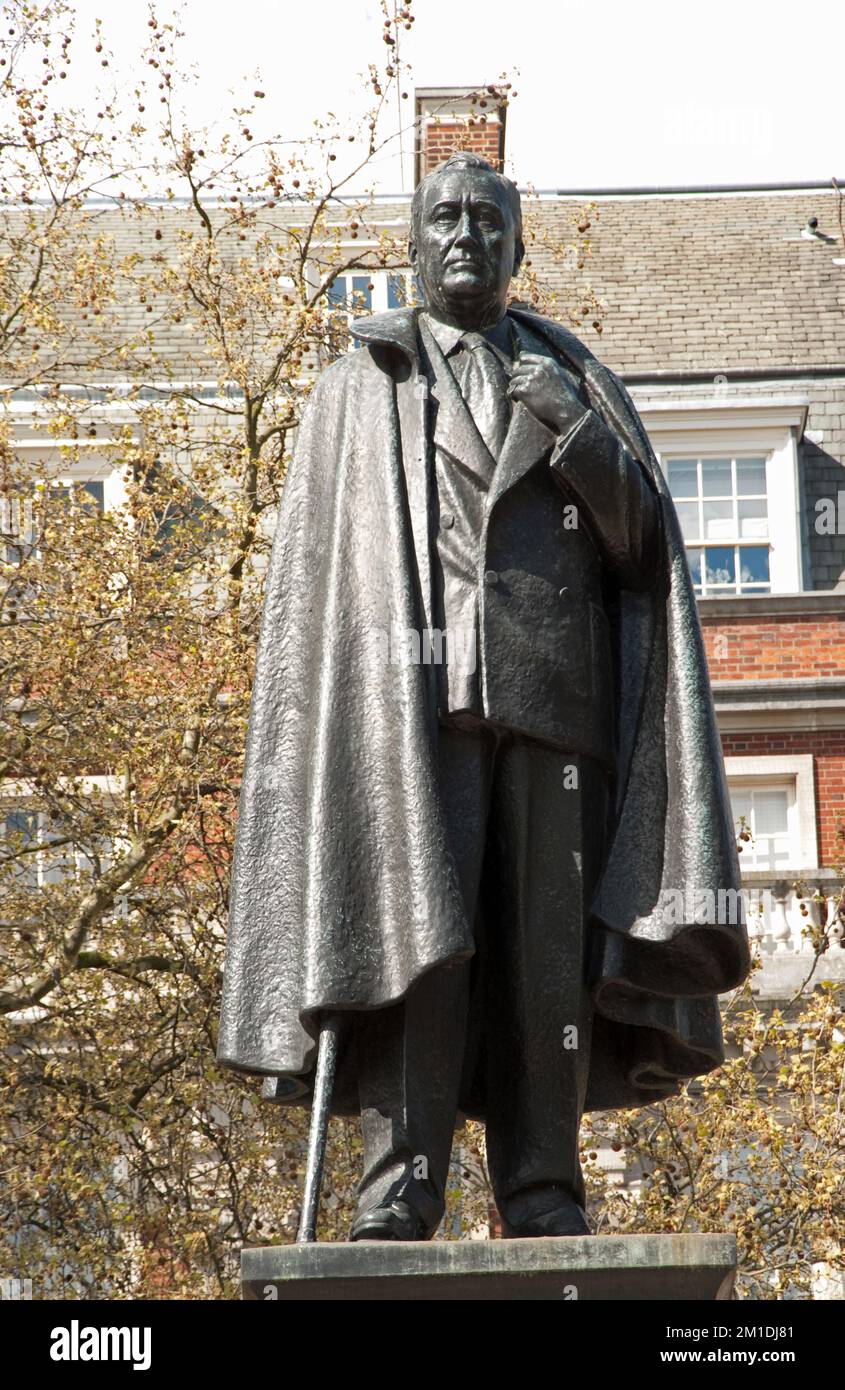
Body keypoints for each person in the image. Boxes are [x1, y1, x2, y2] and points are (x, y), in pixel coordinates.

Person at [216, 153, 751, 1241]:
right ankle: (397, 1189)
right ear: (414, 244)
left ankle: (542, 1188)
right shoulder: (360, 386)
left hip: (555, 711)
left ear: (515, 246)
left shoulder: (575, 379)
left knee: (544, 966)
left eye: (486, 221)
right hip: (409, 715)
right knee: (415, 943)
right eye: (443, 219)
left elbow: (640, 549)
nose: (464, 236)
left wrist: (576, 435)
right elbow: (322, 590)